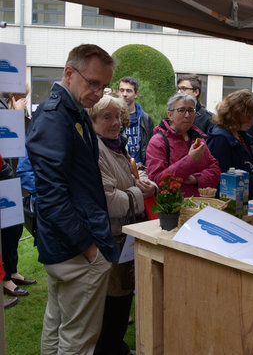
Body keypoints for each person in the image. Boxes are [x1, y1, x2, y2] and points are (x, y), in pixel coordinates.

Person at [26, 44, 118, 354]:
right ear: (69, 73)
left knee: (58, 327)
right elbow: (51, 196)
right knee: (77, 341)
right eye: (93, 82)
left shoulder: (69, 111)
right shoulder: (56, 116)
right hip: (76, 249)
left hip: (69, 246)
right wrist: (89, 248)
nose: (98, 91)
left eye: (104, 86)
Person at [88, 94, 155, 355]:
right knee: (112, 303)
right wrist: (143, 195)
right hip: (111, 238)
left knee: (122, 298)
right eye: (107, 117)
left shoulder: (115, 145)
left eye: (118, 116)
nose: (116, 122)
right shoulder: (96, 151)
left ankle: (116, 347)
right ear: (92, 121)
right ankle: (110, 348)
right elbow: (107, 201)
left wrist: (148, 184)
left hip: (124, 236)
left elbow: (130, 180)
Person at [207, 89, 253, 199]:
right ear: (237, 116)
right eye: (250, 117)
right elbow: (222, 180)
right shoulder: (220, 139)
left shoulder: (239, 134)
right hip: (229, 204)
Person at [1, 90, 36, 306]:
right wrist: (16, 114)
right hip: (4, 174)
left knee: (13, 227)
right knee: (6, 228)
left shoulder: (5, 104)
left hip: (10, 173)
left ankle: (12, 271)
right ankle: (5, 279)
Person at [147, 92, 220, 197]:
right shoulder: (158, 141)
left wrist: (196, 179)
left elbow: (215, 171)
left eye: (191, 110)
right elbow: (157, 181)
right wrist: (190, 160)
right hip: (172, 209)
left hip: (198, 206)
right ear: (170, 115)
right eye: (181, 110)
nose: (187, 115)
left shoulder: (198, 140)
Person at [118, 76, 154, 168]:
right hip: (122, 168)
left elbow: (151, 147)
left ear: (136, 94)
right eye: (121, 90)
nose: (124, 94)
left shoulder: (146, 119)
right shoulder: (113, 118)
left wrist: (146, 166)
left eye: (128, 91)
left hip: (142, 169)